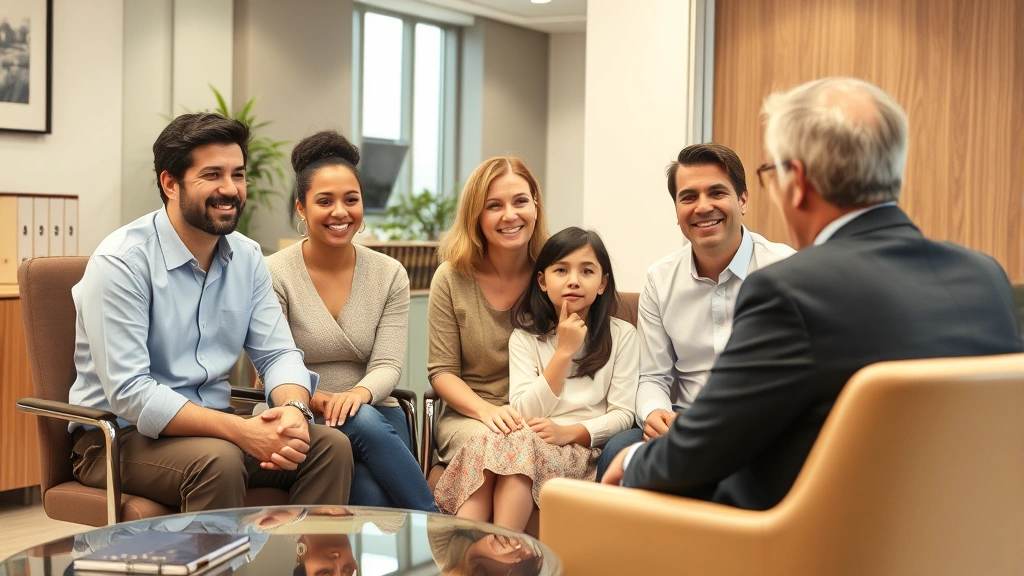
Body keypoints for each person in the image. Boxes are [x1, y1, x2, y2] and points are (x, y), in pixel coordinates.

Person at [602, 77, 1024, 510]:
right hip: (970, 533)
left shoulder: (790, 288)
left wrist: (635, 459)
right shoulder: (985, 277)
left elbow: (706, 450)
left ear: (797, 181)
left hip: (812, 541)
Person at [68, 113, 352, 512]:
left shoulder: (248, 257)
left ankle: (306, 565)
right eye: (213, 175)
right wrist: (241, 431)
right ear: (171, 183)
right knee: (220, 460)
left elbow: (279, 354)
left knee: (329, 447)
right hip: (118, 437)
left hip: (212, 430)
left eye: (238, 174)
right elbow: (131, 393)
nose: (230, 189)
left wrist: (293, 410)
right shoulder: (121, 262)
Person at [595, 143, 794, 480]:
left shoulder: (786, 269)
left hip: (761, 426)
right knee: (618, 448)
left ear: (742, 200)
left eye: (717, 192)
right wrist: (655, 412)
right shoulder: (660, 279)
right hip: (685, 425)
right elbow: (653, 376)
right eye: (688, 197)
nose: (703, 207)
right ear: (676, 211)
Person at [267, 130, 437, 512]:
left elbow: (388, 365)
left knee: (372, 490)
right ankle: (434, 526)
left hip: (378, 411)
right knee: (361, 424)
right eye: (324, 201)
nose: (340, 212)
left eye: (351, 199)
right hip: (301, 412)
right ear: (301, 208)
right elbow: (270, 369)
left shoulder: (390, 273)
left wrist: (357, 397)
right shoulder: (273, 273)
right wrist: (327, 402)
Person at [434, 227, 638, 528]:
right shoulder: (525, 338)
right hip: (529, 445)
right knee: (496, 443)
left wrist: (571, 432)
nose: (573, 280)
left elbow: (624, 414)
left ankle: (480, 554)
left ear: (602, 283)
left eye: (587, 271)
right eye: (561, 270)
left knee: (515, 448)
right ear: (542, 281)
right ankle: (469, 557)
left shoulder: (622, 336)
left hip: (581, 451)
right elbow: (524, 411)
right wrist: (562, 354)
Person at [427, 156, 549, 526]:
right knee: (494, 442)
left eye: (519, 201)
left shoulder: (555, 271)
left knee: (515, 442)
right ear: (475, 216)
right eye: (493, 206)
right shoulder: (450, 278)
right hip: (469, 415)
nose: (509, 215)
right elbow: (442, 372)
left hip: (538, 415)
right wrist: (487, 412)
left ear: (535, 206)